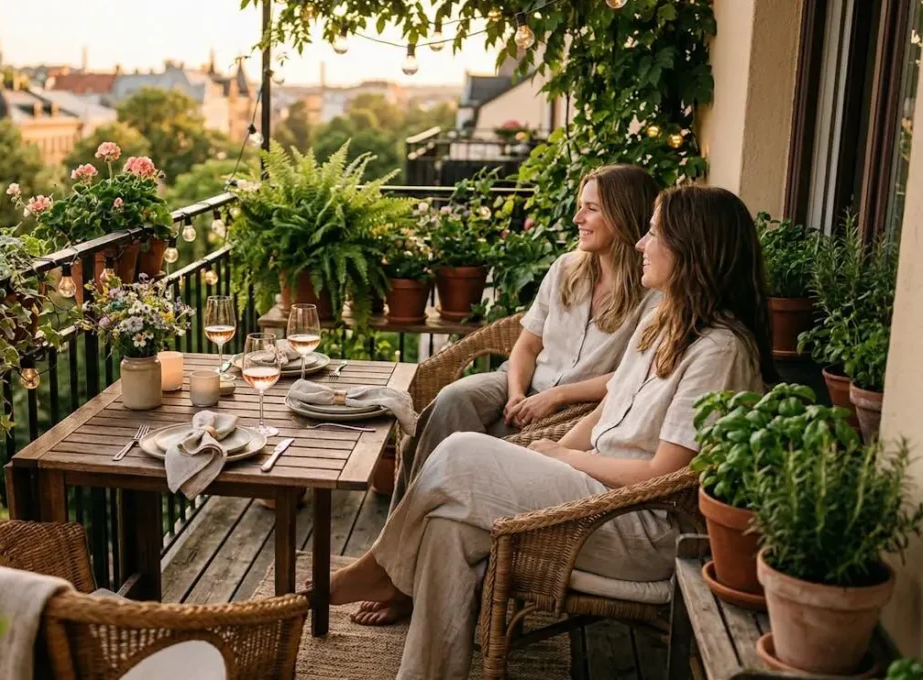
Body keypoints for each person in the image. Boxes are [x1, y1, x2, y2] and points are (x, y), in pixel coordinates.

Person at [326, 185, 776, 679]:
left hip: (639, 524)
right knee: (446, 529)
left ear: (692, 250)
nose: (642, 244)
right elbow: (606, 413)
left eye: (653, 233)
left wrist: (563, 461)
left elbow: (665, 471)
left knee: (459, 454)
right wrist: (554, 450)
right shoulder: (664, 325)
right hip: (594, 495)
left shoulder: (720, 352)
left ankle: (380, 571)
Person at [363, 164, 660, 627]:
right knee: (455, 398)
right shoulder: (566, 268)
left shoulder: (650, 293)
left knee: (470, 444)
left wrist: (555, 398)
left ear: (624, 216)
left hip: (580, 403)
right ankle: (399, 559)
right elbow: (526, 344)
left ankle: (405, 579)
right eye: (580, 206)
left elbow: (628, 377)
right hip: (521, 381)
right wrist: (518, 390)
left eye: (591, 209)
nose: (578, 218)